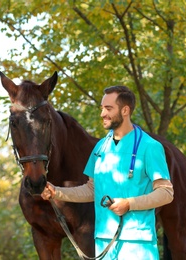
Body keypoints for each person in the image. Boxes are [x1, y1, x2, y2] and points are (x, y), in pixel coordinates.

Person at [41, 85, 174, 259]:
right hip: (104, 242)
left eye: (108, 108)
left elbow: (166, 193)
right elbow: (91, 190)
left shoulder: (150, 147)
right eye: (102, 108)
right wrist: (57, 192)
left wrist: (129, 204)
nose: (103, 113)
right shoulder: (100, 148)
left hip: (137, 244)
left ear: (125, 110)